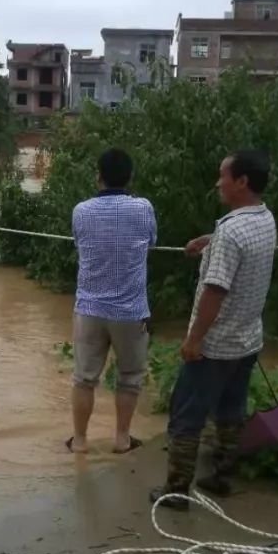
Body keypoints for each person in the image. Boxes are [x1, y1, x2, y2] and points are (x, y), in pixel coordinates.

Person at [150, 150, 277, 509]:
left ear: (242, 182)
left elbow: (215, 290)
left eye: (223, 176)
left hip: (215, 346)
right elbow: (239, 244)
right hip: (247, 340)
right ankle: (222, 475)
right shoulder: (264, 218)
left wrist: (193, 339)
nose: (217, 182)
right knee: (230, 410)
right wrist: (209, 242)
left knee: (185, 416)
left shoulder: (231, 231)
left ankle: (175, 491)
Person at [67, 148, 157, 455]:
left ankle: (79, 441)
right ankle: (121, 439)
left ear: (99, 176)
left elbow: (79, 243)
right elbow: (152, 243)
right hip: (130, 311)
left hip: (89, 309)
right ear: (130, 177)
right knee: (130, 378)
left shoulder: (81, 210)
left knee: (83, 379)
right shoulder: (143, 208)